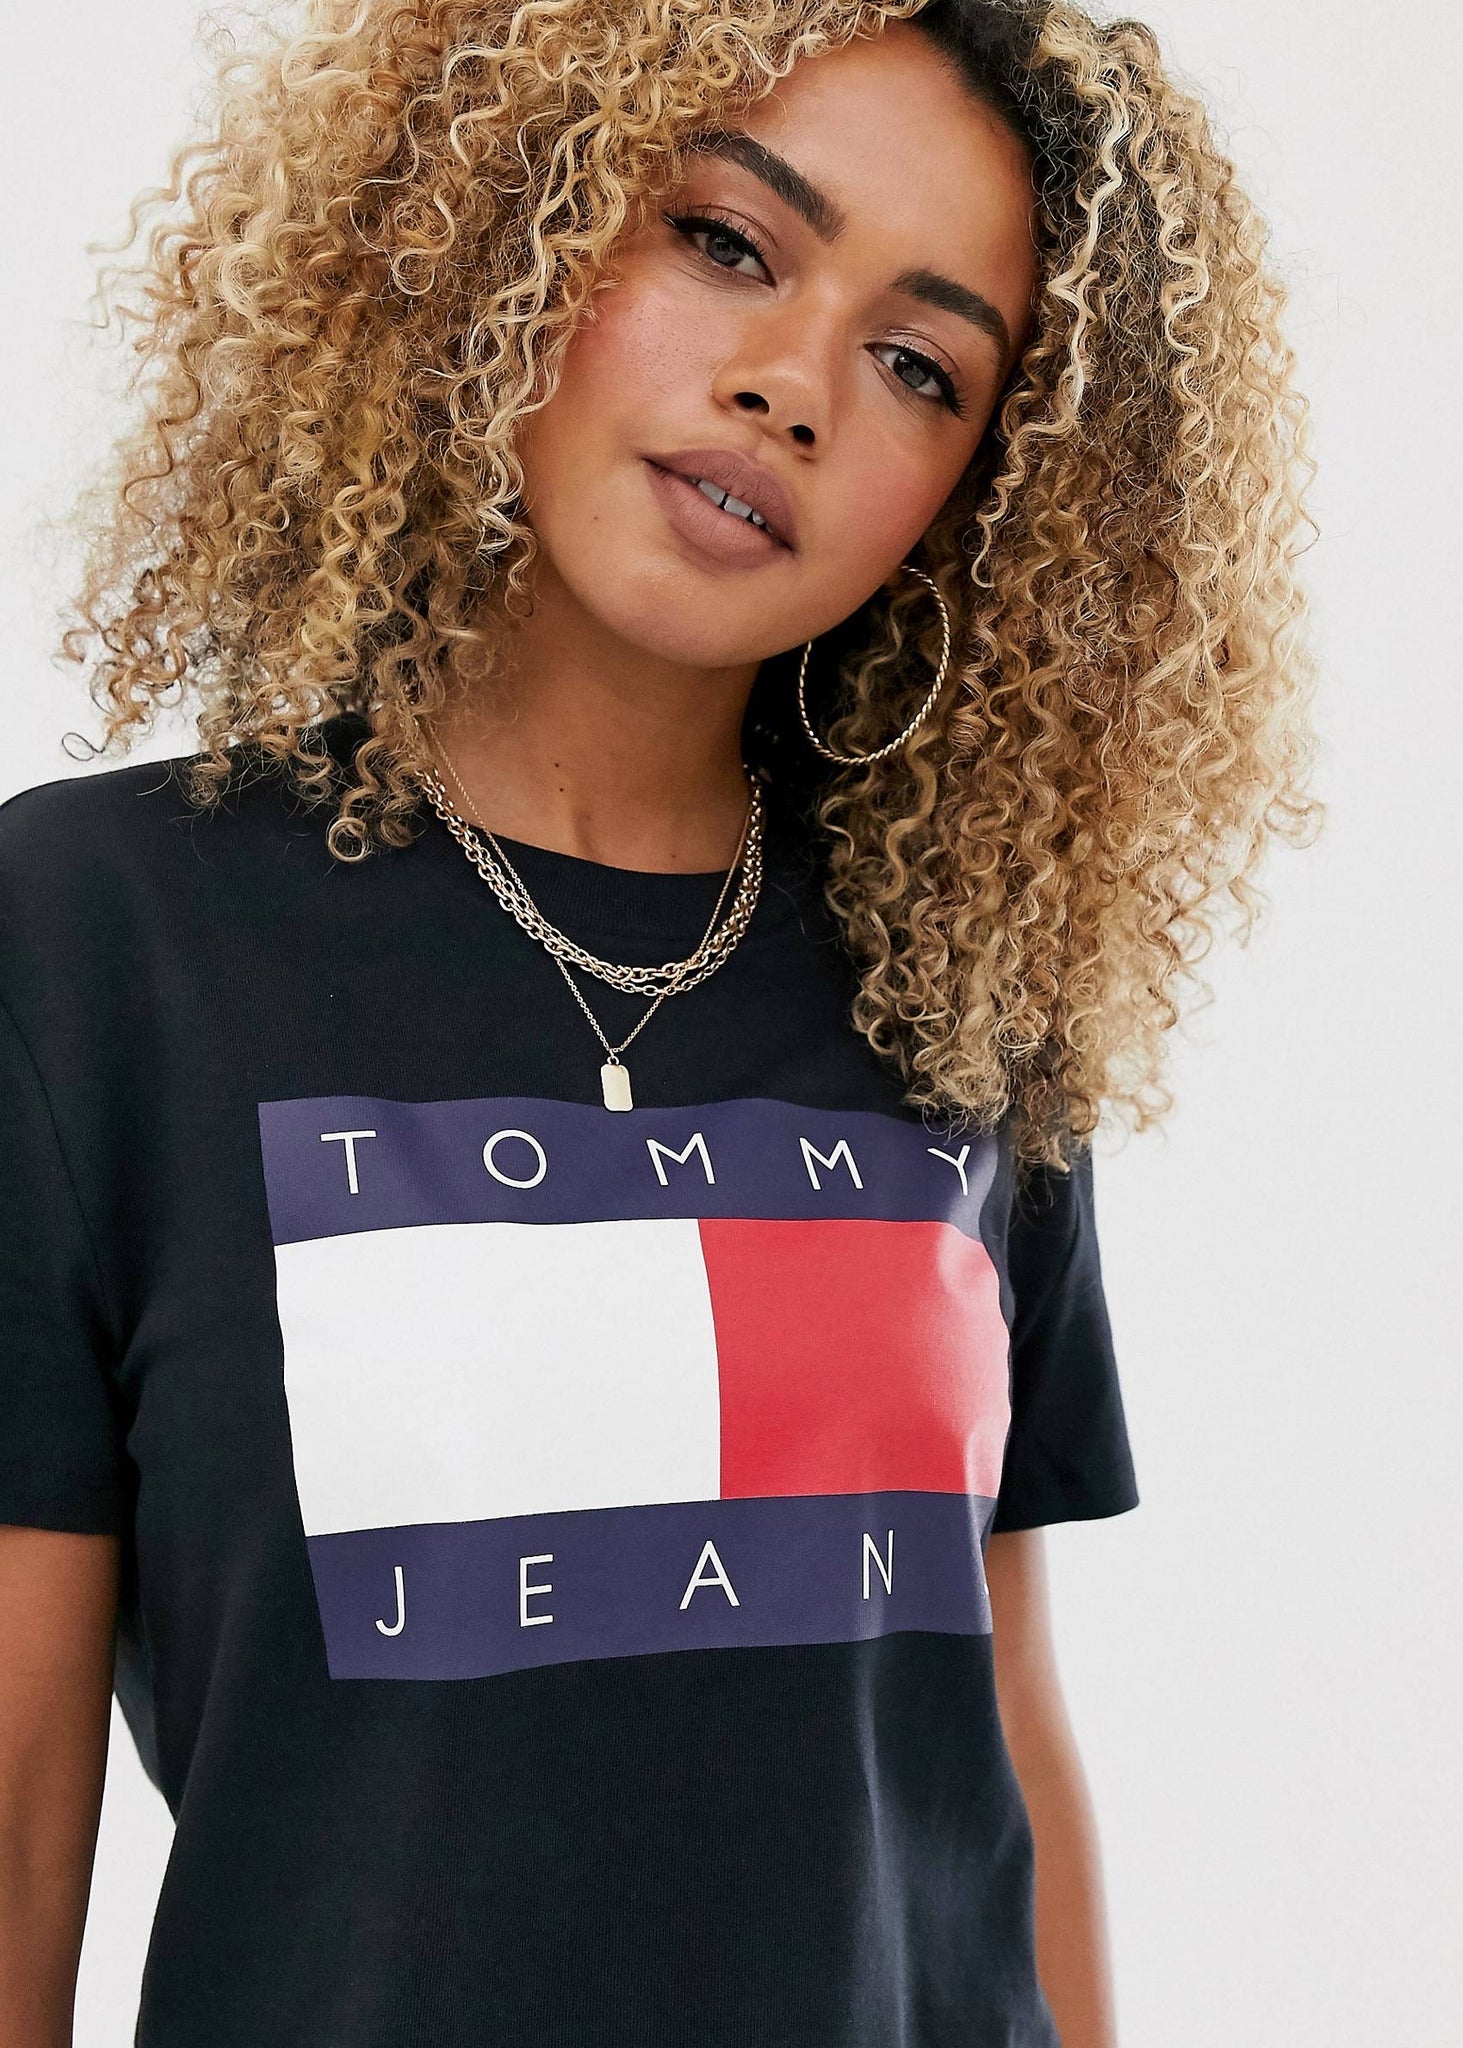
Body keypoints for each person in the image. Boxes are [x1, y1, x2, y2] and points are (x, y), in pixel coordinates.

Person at [0, 2, 1320, 2043]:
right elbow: (17, 1810)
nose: (792, 386)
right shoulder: (97, 934)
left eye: (919, 365)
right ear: (508, 219)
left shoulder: (953, 989)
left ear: (981, 501)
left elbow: (992, 1734)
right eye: (725, 240)